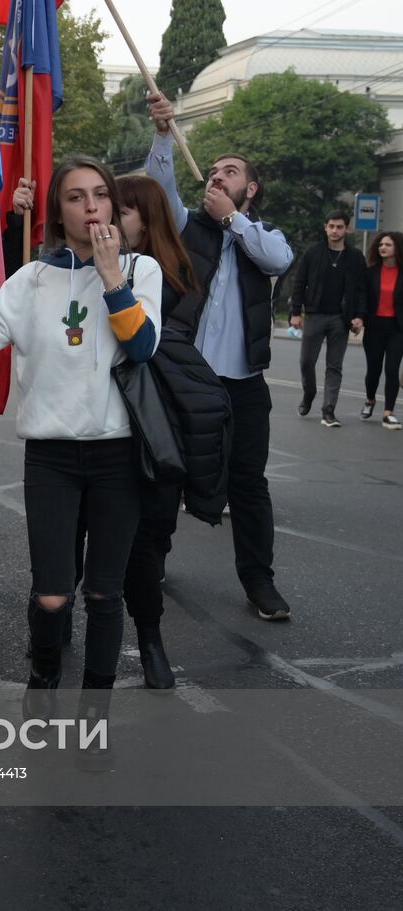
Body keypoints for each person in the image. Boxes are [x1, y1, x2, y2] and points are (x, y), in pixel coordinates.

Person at [0, 156, 163, 766]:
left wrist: (111, 274)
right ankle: (42, 682)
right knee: (51, 595)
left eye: (100, 195)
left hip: (118, 453)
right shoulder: (32, 278)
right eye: (75, 197)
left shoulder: (139, 268)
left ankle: (95, 713)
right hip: (51, 458)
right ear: (57, 210)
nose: (90, 206)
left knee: (103, 593)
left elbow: (142, 345)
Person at [146, 92, 296, 621]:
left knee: (249, 484)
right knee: (169, 475)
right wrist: (164, 135)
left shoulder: (262, 236)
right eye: (210, 170)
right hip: (189, 379)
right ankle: (153, 562)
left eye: (228, 171)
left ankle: (259, 582)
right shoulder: (188, 226)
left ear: (248, 189)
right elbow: (156, 195)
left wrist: (233, 219)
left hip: (244, 383)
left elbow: (276, 259)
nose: (215, 175)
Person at [112, 174, 218, 689]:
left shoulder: (173, 275)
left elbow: (151, 344)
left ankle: (150, 639)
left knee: (149, 543)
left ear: (146, 218)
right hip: (100, 424)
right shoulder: (88, 265)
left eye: (122, 211)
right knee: (74, 532)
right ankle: (54, 619)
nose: (110, 219)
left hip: (157, 424)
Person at [289, 210, 368, 427]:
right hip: (314, 314)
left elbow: (362, 290)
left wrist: (360, 316)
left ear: (347, 229)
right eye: (331, 226)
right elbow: (299, 283)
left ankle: (329, 410)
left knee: (334, 366)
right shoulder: (313, 253)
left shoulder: (355, 257)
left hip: (340, 319)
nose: (335, 230)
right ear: (325, 227)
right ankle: (309, 394)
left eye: (339, 226)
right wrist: (296, 312)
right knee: (306, 362)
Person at [359, 231, 403, 429]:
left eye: (388, 245)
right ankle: (370, 400)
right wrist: (359, 318)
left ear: (397, 248)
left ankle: (388, 412)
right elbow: (362, 298)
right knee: (373, 370)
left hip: (397, 328)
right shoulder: (370, 272)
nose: (383, 248)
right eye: (381, 244)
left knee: (392, 369)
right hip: (375, 327)